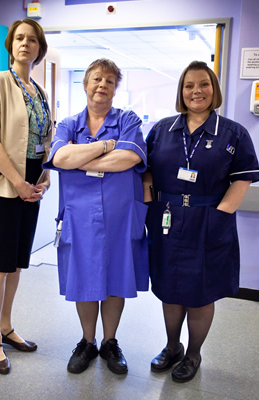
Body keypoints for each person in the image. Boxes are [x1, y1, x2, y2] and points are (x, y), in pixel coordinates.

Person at [144, 60, 259, 383]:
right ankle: (172, 347)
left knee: (200, 291)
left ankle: (193, 353)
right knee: (169, 289)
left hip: (209, 220)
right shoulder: (163, 130)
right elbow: (147, 171)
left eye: (204, 85)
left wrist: (220, 215)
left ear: (214, 89)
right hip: (166, 219)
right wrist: (150, 205)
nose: (197, 91)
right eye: (189, 85)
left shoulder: (233, 132)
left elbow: (242, 180)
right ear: (181, 91)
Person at [43, 58, 149, 375]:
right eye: (97, 79)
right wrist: (104, 146)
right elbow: (60, 156)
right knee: (84, 279)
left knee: (116, 277)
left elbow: (129, 157)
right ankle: (87, 343)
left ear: (116, 88)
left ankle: (110, 342)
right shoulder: (68, 125)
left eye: (110, 81)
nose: (102, 85)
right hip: (80, 216)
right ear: (86, 84)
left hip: (119, 215)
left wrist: (81, 159)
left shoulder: (128, 119)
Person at [0, 18, 52, 375]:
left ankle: (7, 325)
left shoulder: (39, 91)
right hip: (3, 186)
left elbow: (43, 139)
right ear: (10, 44)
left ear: (39, 48)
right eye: (19, 38)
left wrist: (45, 174)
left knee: (18, 262)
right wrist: (19, 182)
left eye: (32, 39)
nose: (25, 44)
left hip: (31, 187)